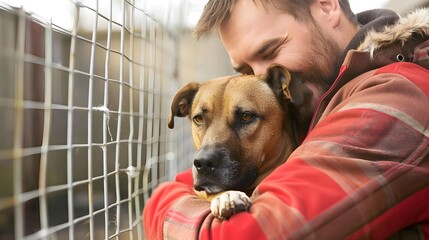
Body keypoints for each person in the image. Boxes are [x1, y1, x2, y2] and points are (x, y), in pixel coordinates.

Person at [143, 0, 429, 239]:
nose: (260, 79)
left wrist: (161, 206)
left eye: (270, 51)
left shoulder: (397, 95)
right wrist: (163, 200)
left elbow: (244, 235)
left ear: (327, 6)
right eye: (244, 69)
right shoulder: (313, 105)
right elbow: (177, 189)